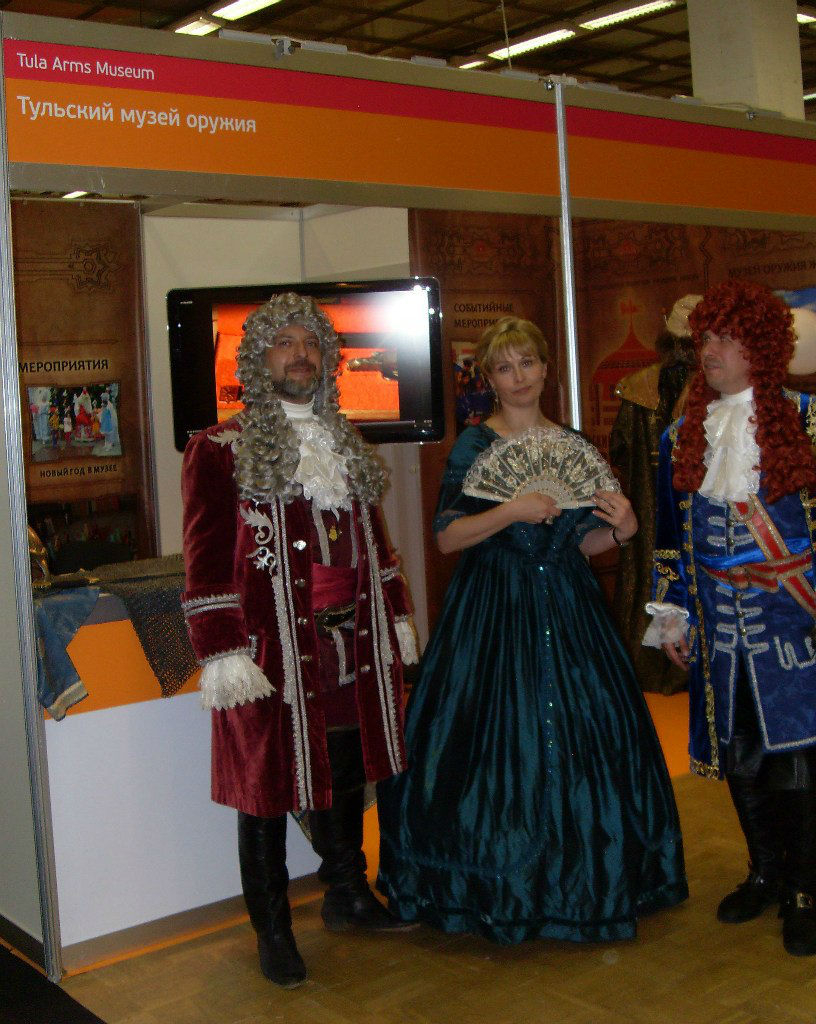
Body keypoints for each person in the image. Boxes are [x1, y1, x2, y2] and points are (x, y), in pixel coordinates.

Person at [377, 315, 687, 944]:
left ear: (546, 368)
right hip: (492, 607)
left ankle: (589, 880)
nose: (518, 377)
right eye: (504, 367)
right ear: (490, 379)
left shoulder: (571, 443)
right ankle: (494, 887)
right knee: (489, 745)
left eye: (527, 363)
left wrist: (623, 530)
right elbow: (447, 537)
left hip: (570, 608)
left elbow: (584, 543)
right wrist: (510, 510)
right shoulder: (473, 447)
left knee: (591, 737)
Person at [181, 293, 419, 989]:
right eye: (285, 343)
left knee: (344, 771)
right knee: (265, 789)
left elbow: (375, 543)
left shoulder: (345, 441)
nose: (301, 355)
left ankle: (347, 895)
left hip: (349, 645)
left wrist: (396, 614)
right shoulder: (217, 449)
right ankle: (274, 930)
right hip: (268, 653)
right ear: (259, 359)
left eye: (312, 343)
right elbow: (205, 559)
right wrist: (222, 650)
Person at [643, 279, 816, 958]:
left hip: (793, 625)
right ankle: (766, 871)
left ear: (763, 347)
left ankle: (804, 890)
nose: (709, 352)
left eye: (726, 338)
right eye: (705, 339)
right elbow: (669, 540)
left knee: (798, 755)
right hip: (721, 629)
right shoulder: (679, 438)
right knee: (740, 752)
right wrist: (673, 613)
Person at [610, 294, 699, 695]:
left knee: (653, 567)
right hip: (677, 500)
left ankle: (656, 665)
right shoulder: (709, 390)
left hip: (652, 500)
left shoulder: (637, 388)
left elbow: (620, 448)